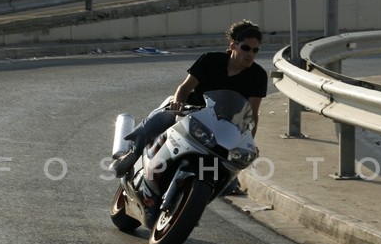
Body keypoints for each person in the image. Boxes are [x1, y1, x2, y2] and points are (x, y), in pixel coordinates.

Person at [110, 19, 268, 178]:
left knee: (231, 167)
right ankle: (132, 155)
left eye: (255, 50)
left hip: (224, 126)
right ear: (233, 45)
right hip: (190, 112)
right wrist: (178, 104)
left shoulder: (258, 76)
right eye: (246, 48)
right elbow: (184, 88)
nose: (250, 54)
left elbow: (252, 115)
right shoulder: (210, 59)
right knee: (158, 120)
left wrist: (249, 142)